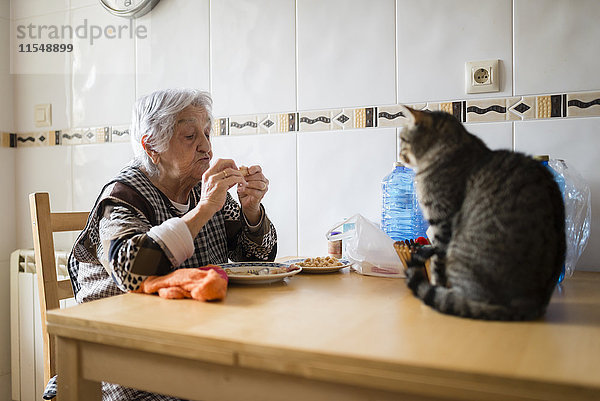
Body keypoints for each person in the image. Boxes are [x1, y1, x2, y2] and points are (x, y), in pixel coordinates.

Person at [66, 88, 277, 400]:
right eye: (190, 135)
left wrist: (251, 210)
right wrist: (204, 210)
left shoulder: (199, 190)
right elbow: (132, 271)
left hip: (191, 345)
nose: (206, 146)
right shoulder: (123, 197)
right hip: (125, 361)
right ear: (152, 146)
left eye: (207, 132)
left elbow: (257, 261)